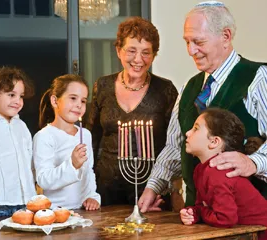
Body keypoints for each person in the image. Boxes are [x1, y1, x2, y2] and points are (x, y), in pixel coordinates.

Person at [139, 1, 267, 211]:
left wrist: (253, 163)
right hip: (197, 215)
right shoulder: (189, 88)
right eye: (187, 42)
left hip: (246, 220)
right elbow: (174, 146)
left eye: (198, 42)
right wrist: (153, 187)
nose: (191, 50)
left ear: (225, 36)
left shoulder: (258, 78)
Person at [86, 16, 178, 207]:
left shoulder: (165, 89)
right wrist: (88, 188)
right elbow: (91, 137)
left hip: (151, 191)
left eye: (146, 52)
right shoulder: (102, 86)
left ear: (153, 55)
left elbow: (174, 143)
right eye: (131, 51)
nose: (138, 59)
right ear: (119, 50)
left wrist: (165, 186)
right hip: (105, 189)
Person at [180, 108, 267, 240]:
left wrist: (201, 213)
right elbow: (204, 205)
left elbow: (225, 219)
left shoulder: (218, 172)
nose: (187, 133)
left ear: (214, 142)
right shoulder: (201, 169)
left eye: (196, 129)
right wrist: (193, 213)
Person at [33, 74, 100, 210]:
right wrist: (73, 165)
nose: (78, 105)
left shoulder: (85, 134)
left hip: (84, 211)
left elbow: (89, 171)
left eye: (83, 101)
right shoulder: (44, 136)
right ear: (55, 101)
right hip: (56, 213)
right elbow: (44, 180)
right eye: (73, 98)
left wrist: (92, 196)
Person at [0, 66, 36, 219]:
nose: (18, 101)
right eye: (11, 95)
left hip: (26, 203)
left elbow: (29, 162)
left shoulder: (22, 127)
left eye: (21, 96)